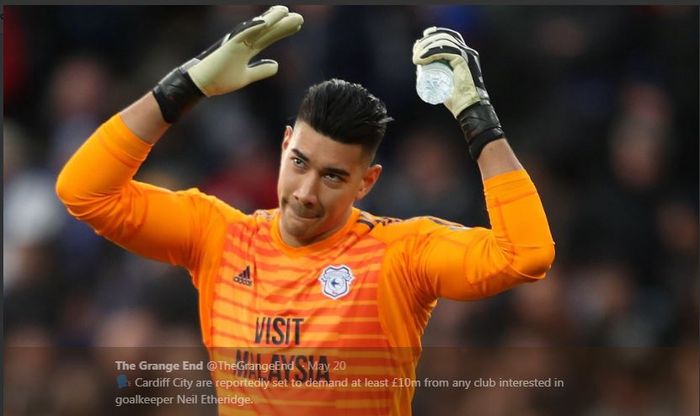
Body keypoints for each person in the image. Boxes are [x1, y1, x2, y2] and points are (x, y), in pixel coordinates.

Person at [56, 5, 555, 415]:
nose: (305, 192)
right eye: (299, 163)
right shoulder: (220, 237)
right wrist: (186, 87)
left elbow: (526, 254)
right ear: (285, 144)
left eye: (334, 176)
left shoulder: (399, 256)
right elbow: (83, 191)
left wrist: (477, 119)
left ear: (367, 182)